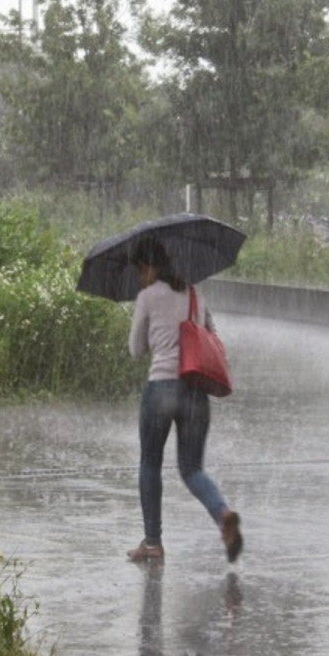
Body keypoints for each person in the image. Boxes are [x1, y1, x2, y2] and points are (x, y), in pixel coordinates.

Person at [126, 237, 242, 564]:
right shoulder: (194, 294)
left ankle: (153, 543)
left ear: (147, 268)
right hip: (195, 391)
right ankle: (223, 514)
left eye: (139, 273)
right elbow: (212, 336)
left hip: (160, 389)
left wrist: (154, 332)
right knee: (192, 469)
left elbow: (135, 350)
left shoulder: (147, 297)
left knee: (150, 463)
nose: (138, 279)